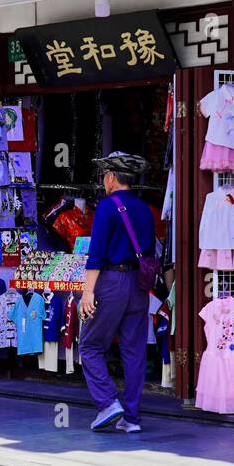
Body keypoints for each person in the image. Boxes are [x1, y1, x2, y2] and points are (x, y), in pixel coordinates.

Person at [78, 153, 158, 432]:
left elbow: (96, 252)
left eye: (104, 175)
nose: (103, 180)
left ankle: (108, 402)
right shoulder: (145, 209)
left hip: (111, 280)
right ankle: (132, 419)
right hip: (139, 283)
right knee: (134, 351)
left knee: (89, 345)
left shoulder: (107, 207)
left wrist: (88, 292)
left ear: (112, 177)